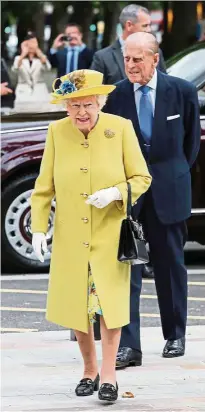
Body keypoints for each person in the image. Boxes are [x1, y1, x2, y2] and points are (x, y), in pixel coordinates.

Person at [30, 69, 151, 401]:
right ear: (66, 107)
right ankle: (88, 370)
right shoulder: (56, 132)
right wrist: (39, 228)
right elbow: (44, 189)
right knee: (78, 308)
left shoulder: (120, 129)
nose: (81, 112)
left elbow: (142, 178)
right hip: (71, 237)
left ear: (100, 102)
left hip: (110, 234)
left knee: (108, 307)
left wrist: (115, 193)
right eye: (73, 106)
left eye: (87, 104)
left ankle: (109, 375)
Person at [103, 32, 201, 368]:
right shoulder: (115, 95)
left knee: (170, 264)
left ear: (154, 58)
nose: (130, 65)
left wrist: (171, 175)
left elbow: (190, 146)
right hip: (128, 194)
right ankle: (129, 346)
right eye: (127, 59)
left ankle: (175, 334)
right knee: (125, 268)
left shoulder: (182, 92)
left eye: (137, 59)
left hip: (168, 190)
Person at [90, 4, 166, 84]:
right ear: (129, 25)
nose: (149, 30)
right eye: (145, 26)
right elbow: (94, 93)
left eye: (149, 25)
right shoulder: (102, 58)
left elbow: (164, 85)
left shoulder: (155, 52)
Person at [12, 32, 51, 112]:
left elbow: (48, 68)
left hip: (40, 91)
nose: (31, 45)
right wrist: (23, 54)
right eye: (29, 43)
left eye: (33, 42)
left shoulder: (41, 58)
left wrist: (39, 53)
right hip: (23, 91)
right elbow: (15, 69)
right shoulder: (18, 58)